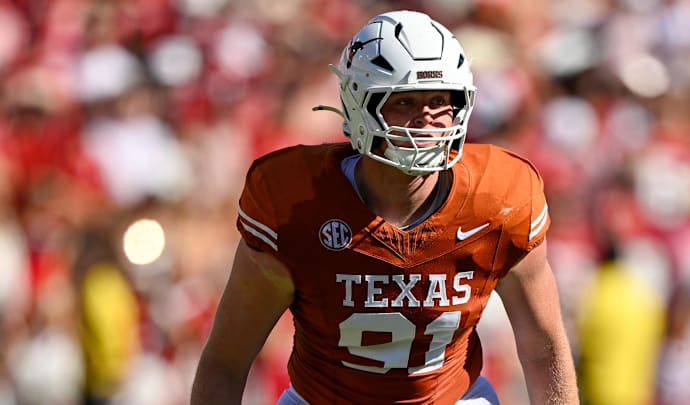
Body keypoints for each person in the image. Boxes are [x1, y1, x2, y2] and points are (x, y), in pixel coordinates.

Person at [191, 10, 578, 405]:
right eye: (405, 101)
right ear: (359, 105)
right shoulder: (296, 204)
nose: (427, 119)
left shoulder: (498, 200)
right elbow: (227, 361)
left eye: (440, 100)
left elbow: (543, 349)